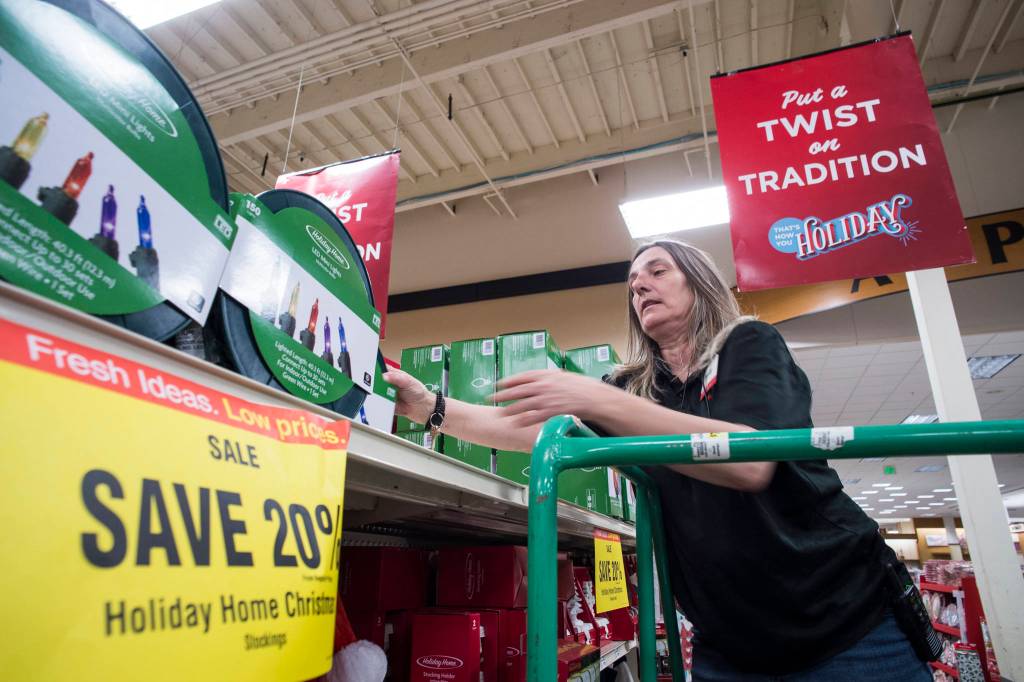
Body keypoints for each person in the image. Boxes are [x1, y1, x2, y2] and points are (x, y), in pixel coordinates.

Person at [384, 240, 932, 681]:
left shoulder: (748, 344)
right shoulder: (632, 389)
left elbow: (749, 463)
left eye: (657, 271)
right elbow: (526, 430)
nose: (639, 285)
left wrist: (595, 398)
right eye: (632, 283)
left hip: (848, 627)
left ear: (699, 282)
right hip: (732, 646)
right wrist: (427, 405)